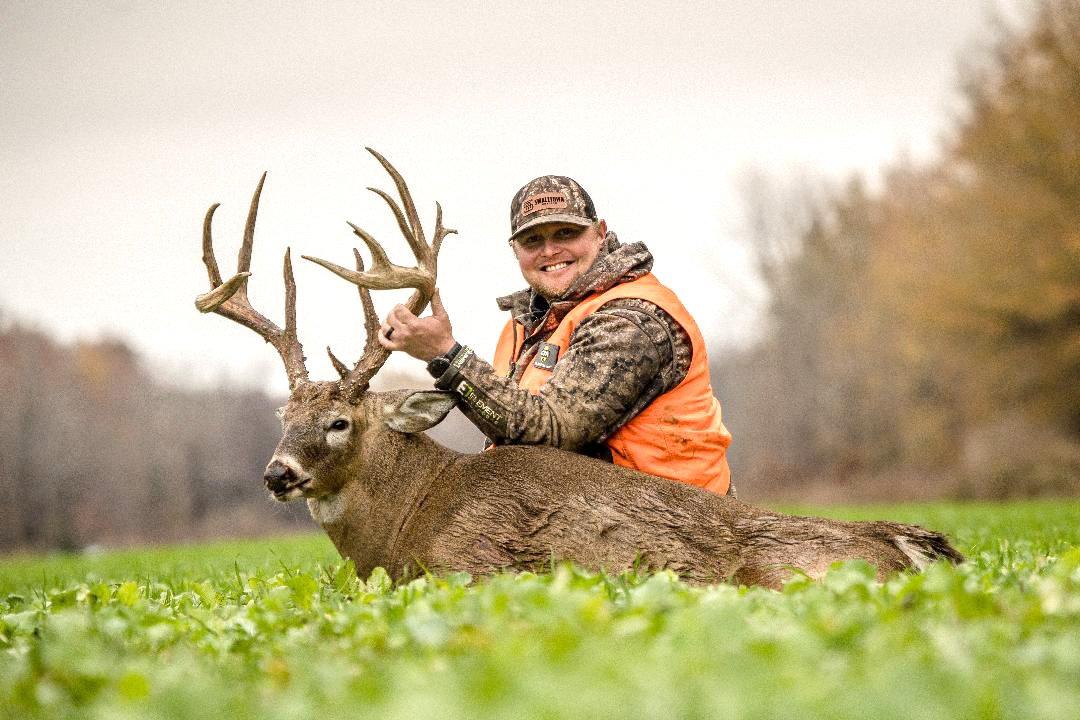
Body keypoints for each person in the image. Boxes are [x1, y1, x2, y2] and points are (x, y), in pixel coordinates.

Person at [378, 175, 734, 496]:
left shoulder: (632, 319)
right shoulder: (524, 327)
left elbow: (552, 433)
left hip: (675, 525)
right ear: (515, 250)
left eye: (566, 233)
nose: (550, 251)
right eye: (533, 240)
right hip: (592, 514)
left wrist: (446, 354)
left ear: (599, 232)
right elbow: (511, 436)